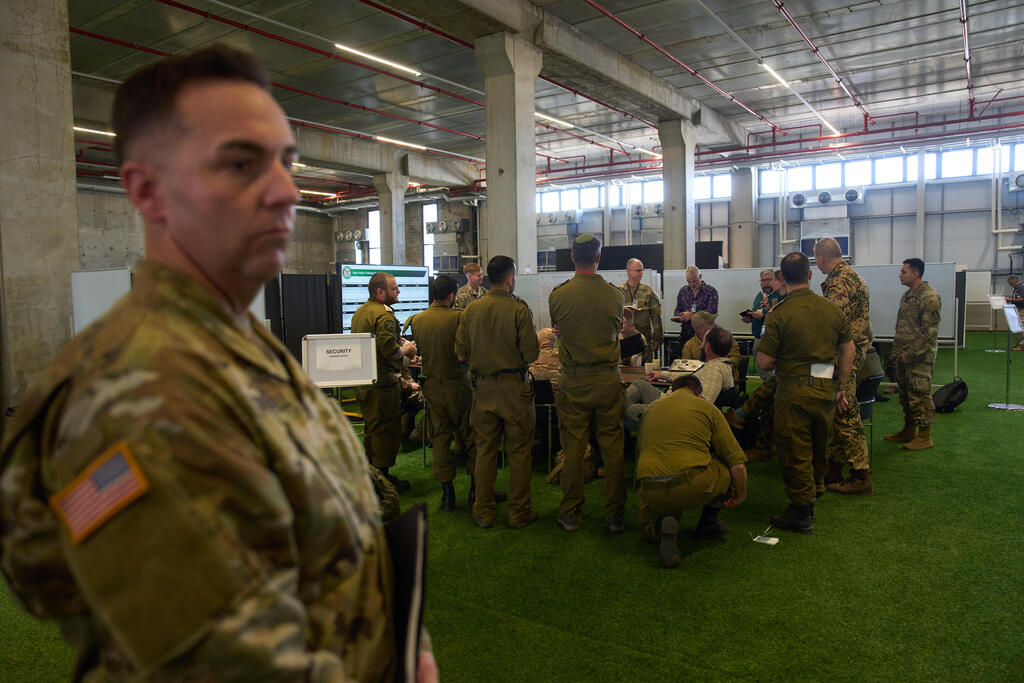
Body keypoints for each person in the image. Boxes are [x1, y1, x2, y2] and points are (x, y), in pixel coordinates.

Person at [0, 45, 438, 681]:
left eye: (286, 162)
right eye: (240, 163)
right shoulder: (137, 391)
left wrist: (397, 639)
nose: (286, 190)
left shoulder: (233, 340)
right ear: (148, 191)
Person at [757, 252, 854, 534]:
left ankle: (801, 510)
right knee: (818, 445)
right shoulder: (832, 310)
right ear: (810, 275)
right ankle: (813, 493)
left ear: (782, 278)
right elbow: (848, 349)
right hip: (826, 388)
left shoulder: (779, 314)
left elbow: (763, 362)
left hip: (793, 391)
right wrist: (841, 387)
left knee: (794, 449)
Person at [549, 234, 627, 533]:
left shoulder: (558, 295)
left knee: (573, 448)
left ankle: (569, 513)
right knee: (613, 449)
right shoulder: (616, 296)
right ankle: (614, 516)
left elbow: (560, 329)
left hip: (574, 380)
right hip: (608, 379)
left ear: (572, 257)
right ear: (599, 257)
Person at [455, 255, 540, 529]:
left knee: (485, 452)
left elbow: (461, 353)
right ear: (510, 278)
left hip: (483, 390)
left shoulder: (470, 310)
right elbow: (531, 352)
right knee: (519, 452)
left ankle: (483, 511)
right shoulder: (519, 310)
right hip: (515, 390)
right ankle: (519, 513)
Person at [636, 375, 748, 568]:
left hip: (649, 488)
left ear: (672, 390)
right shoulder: (708, 408)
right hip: (691, 485)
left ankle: (659, 526)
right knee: (723, 462)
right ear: (699, 393)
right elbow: (737, 463)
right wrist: (740, 495)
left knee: (661, 476)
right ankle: (708, 525)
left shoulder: (651, 409)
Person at [410, 274, 476, 512]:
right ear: (451, 295)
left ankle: (447, 495)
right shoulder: (459, 317)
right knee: (470, 435)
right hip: (458, 385)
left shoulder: (417, 320)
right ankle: (475, 490)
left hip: (431, 387)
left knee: (440, 437)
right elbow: (465, 352)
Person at [815, 238, 874, 495]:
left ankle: (861, 475)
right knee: (838, 412)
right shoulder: (854, 276)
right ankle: (835, 467)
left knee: (845, 410)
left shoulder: (838, 282)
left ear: (820, 259)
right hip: (854, 351)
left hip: (843, 356)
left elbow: (833, 325)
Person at [352, 272, 418, 491]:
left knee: (372, 427)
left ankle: (372, 474)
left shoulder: (361, 312)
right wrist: (407, 349)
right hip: (382, 383)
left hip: (364, 380)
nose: (398, 291)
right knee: (386, 430)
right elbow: (390, 351)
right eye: (394, 288)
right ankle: (383, 480)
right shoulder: (384, 315)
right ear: (380, 291)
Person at [884, 258, 941, 451]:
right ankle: (908, 430)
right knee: (906, 395)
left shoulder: (929, 297)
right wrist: (896, 353)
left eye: (903, 272)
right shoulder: (908, 295)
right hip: (902, 354)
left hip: (919, 357)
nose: (900, 275)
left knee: (920, 394)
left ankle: (925, 436)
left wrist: (912, 354)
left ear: (915, 273)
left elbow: (930, 334)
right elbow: (902, 326)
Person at [618, 258, 663, 362]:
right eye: (638, 270)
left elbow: (656, 317)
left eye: (642, 270)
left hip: (645, 340)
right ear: (629, 271)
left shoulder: (648, 292)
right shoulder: (619, 292)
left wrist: (657, 338)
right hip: (625, 339)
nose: (641, 273)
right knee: (626, 369)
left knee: (645, 370)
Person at [679, 311, 743, 382]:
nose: (715, 324)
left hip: (727, 382)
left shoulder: (725, 338)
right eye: (710, 323)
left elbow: (735, 358)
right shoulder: (689, 346)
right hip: (699, 383)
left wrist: (719, 371)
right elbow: (686, 369)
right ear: (700, 329)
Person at [673, 265, 719, 345]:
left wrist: (692, 315)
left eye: (694, 281)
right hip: (686, 333)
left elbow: (712, 312)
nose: (692, 284)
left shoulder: (711, 291)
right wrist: (681, 316)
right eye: (689, 281)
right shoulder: (683, 291)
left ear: (700, 276)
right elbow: (677, 310)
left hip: (705, 333)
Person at [742, 269, 783, 354]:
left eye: (768, 280)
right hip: (758, 336)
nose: (766, 283)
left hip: (773, 338)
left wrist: (763, 315)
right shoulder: (759, 295)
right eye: (763, 280)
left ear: (774, 280)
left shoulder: (779, 295)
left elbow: (780, 316)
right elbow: (756, 311)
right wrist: (750, 318)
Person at [1005, 275, 1024, 351]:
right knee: (1017, 328)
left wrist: (1010, 299)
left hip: (1022, 310)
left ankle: (1022, 345)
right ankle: (1019, 345)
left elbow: (1023, 298)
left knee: (1021, 328)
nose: (1010, 285)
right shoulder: (1017, 288)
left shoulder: (1022, 287)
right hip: (1017, 309)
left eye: (1010, 283)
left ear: (1014, 281)